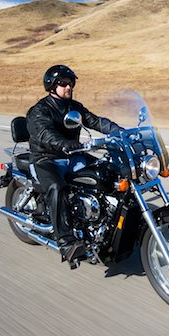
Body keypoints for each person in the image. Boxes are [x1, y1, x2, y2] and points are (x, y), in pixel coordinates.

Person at [26, 64, 121, 268]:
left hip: (73, 156)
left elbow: (95, 121)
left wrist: (119, 132)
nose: (68, 87)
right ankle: (66, 241)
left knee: (108, 173)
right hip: (47, 158)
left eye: (70, 83)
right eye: (63, 83)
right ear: (51, 86)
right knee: (58, 188)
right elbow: (45, 134)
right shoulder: (39, 110)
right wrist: (65, 143)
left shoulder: (74, 107)